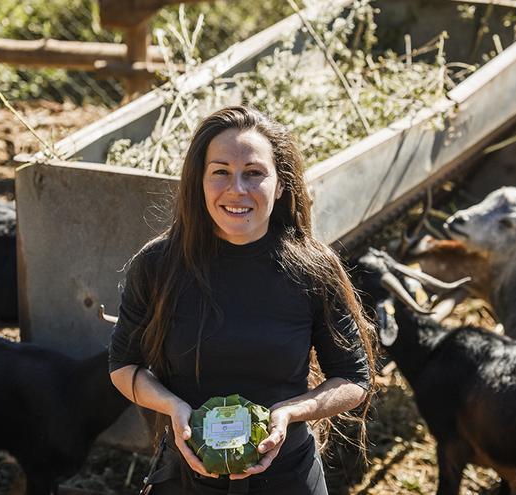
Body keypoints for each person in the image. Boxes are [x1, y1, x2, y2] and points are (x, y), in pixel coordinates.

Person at [108, 106, 375, 495]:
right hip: (186, 479)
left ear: (281, 184)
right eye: (220, 172)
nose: (237, 189)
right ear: (198, 182)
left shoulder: (314, 268)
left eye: (254, 173)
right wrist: (173, 407)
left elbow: (354, 378)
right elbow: (123, 366)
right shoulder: (159, 265)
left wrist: (290, 412)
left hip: (288, 477)